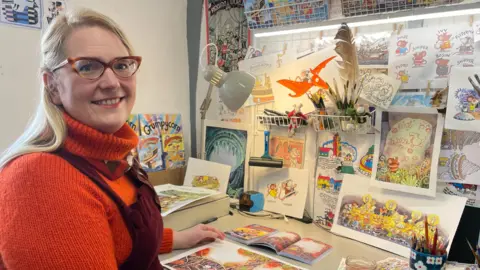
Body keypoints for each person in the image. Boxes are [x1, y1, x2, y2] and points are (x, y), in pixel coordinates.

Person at [0, 8, 224, 269]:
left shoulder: (113, 154)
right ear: (53, 85)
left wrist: (178, 238)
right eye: (87, 67)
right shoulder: (39, 178)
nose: (111, 82)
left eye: (121, 65)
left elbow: (114, 236)